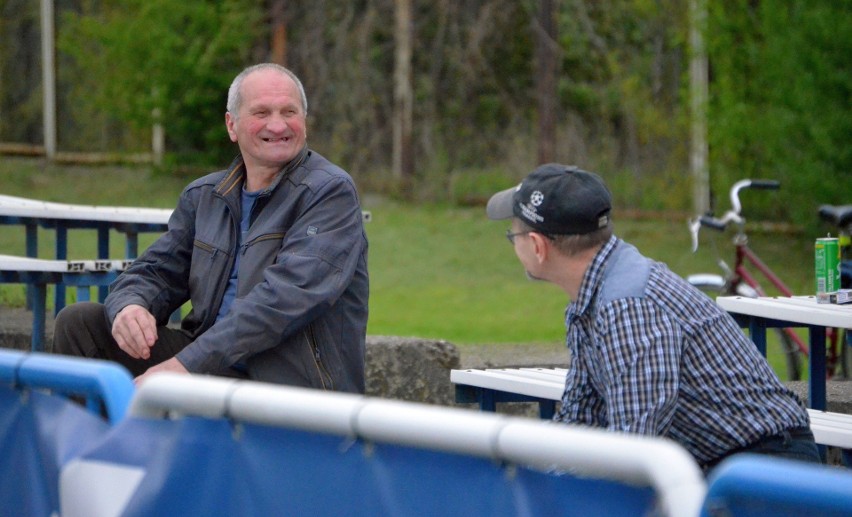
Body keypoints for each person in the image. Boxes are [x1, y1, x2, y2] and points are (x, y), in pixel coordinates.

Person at [53, 63, 369, 393]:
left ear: (303, 121)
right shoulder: (205, 196)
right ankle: (94, 443)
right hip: (210, 366)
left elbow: (282, 301)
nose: (277, 125)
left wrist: (186, 365)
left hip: (284, 384)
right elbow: (156, 271)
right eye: (262, 112)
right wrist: (130, 306)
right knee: (80, 325)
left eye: (289, 111)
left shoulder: (330, 192)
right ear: (232, 125)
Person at [486, 163, 820, 472]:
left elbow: (634, 448)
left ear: (537, 246)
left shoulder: (627, 306)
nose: (513, 244)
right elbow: (581, 420)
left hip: (765, 467)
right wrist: (524, 474)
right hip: (722, 465)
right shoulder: (591, 298)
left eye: (512, 235)